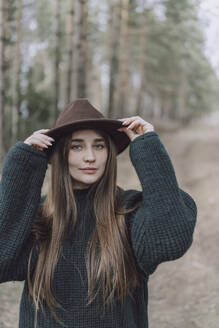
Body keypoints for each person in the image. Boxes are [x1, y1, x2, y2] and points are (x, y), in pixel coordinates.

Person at [0, 98, 197, 328]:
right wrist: (23, 166)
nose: (90, 157)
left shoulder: (129, 210)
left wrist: (148, 148)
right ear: (61, 154)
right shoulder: (38, 217)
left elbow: (171, 240)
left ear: (109, 153)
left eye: (99, 145)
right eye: (77, 146)